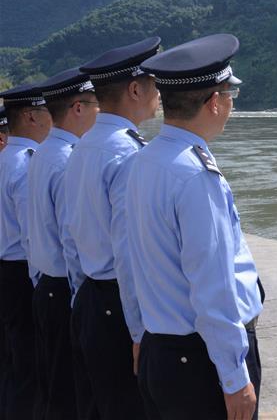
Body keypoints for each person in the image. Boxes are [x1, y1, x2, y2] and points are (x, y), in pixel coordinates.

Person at [128, 34, 263, 420]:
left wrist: (138, 333)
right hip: (199, 362)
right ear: (215, 102)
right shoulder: (195, 176)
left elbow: (131, 260)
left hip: (162, 351)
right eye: (229, 96)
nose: (231, 106)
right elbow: (213, 288)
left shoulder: (144, 161)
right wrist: (235, 377)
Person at [64, 37, 160, 420]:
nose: (160, 93)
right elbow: (128, 252)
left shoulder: (83, 146)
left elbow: (69, 235)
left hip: (89, 297)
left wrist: (78, 298)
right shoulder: (127, 154)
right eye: (155, 84)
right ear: (135, 89)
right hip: (117, 306)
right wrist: (138, 332)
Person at [27, 68, 100, 420]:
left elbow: (31, 230)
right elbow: (71, 239)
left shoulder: (41, 154)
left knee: (52, 386)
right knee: (69, 395)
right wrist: (79, 297)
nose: (100, 110)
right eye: (95, 103)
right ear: (78, 108)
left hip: (44, 284)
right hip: (63, 290)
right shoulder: (67, 160)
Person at [0, 82, 52, 419]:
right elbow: (32, 234)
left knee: (11, 361)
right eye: (47, 110)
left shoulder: (7, 158)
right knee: (30, 367)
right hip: (21, 272)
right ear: (31, 116)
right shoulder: (26, 165)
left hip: (7, 267)